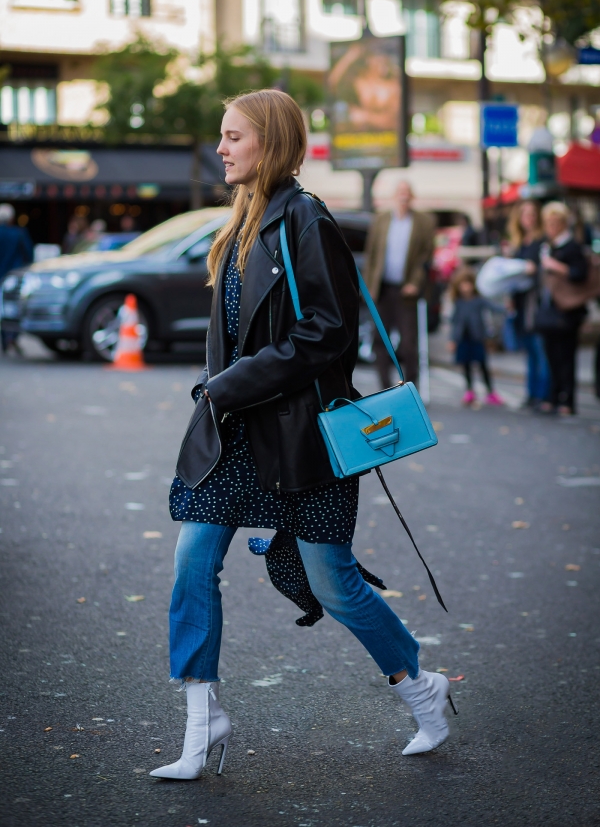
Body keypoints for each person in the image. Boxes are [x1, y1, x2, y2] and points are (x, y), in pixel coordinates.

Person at [151, 90, 455, 782]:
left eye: (233, 136)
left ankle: (420, 687)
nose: (221, 148)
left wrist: (232, 384)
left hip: (299, 444)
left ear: (272, 141)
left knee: (335, 583)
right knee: (191, 565)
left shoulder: (304, 219)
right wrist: (220, 391)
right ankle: (203, 720)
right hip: (232, 435)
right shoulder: (241, 221)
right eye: (221, 135)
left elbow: (327, 335)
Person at [363, 181, 435, 388]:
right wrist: (369, 288)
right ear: (394, 196)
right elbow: (372, 255)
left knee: (409, 344)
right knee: (380, 341)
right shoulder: (381, 219)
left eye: (407, 192)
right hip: (383, 289)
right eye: (400, 192)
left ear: (412, 196)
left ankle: (410, 388)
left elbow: (425, 257)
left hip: (406, 291)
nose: (404, 196)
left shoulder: (423, 222)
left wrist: (415, 282)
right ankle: (385, 388)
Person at [536, 201, 588, 416]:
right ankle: (554, 395)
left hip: (568, 309)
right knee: (551, 355)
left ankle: (567, 399)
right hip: (550, 308)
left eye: (555, 222)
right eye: (548, 222)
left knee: (566, 356)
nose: (552, 226)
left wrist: (557, 267)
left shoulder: (572, 246)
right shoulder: (547, 246)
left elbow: (580, 274)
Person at [506, 201, 550, 408]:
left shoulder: (542, 242)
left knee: (539, 348)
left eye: (533, 214)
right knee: (530, 350)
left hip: (537, 303)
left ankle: (543, 394)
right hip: (521, 303)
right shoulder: (518, 244)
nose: (529, 218)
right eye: (525, 214)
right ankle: (532, 393)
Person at [448, 268, 504, 406]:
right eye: (463, 284)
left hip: (477, 338)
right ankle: (469, 391)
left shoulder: (478, 301)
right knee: (466, 365)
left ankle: (490, 392)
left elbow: (493, 307)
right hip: (463, 338)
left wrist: (505, 308)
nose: (466, 287)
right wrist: (452, 340)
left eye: (468, 284)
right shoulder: (459, 302)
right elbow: (454, 322)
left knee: (482, 364)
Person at [0, 203, 33, 354]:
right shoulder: (18, 233)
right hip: (14, 277)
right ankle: (12, 337)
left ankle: (5, 341)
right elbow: (29, 254)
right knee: (13, 309)